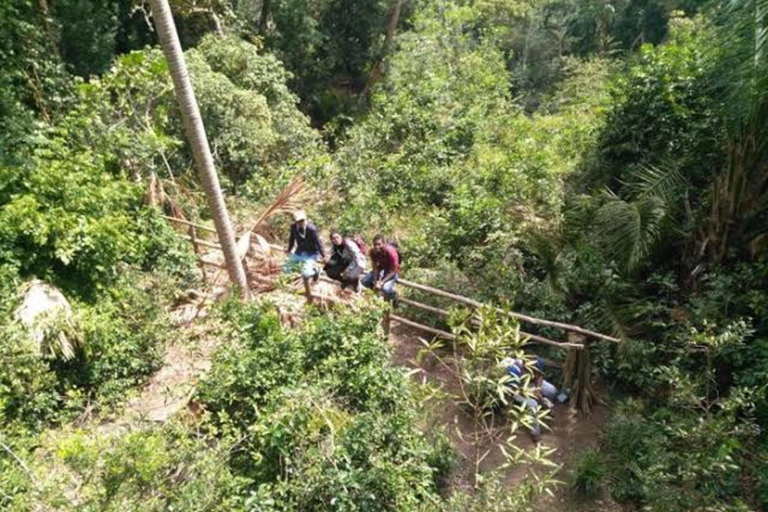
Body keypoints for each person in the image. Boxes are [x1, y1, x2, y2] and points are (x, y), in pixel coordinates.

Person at [504, 357, 561, 441]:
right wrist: (531, 393)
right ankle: (535, 433)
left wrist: (538, 389)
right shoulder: (514, 369)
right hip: (516, 389)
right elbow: (513, 390)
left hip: (531, 384)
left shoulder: (538, 361)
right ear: (524, 364)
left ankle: (545, 410)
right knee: (532, 403)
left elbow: (539, 376)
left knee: (552, 391)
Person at [284, 211, 325, 293]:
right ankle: (292, 281)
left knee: (306, 273)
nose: (301, 222)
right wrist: (289, 250)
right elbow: (291, 239)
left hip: (311, 253)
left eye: (302, 220)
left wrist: (323, 255)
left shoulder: (311, 229)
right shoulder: (293, 227)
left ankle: (317, 270)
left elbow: (318, 242)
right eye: (299, 221)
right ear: (295, 221)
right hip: (299, 252)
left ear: (305, 219)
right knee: (286, 269)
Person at [361, 234, 400, 303]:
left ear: (384, 244)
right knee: (364, 281)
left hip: (391, 271)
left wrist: (381, 282)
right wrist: (376, 281)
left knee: (385, 289)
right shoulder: (373, 252)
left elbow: (394, 270)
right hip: (381, 268)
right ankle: (377, 291)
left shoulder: (391, 252)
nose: (377, 247)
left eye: (379, 244)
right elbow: (375, 267)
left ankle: (394, 294)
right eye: (375, 244)